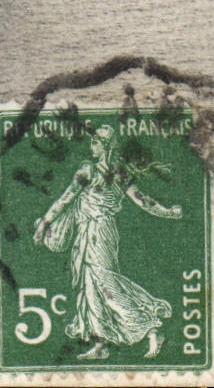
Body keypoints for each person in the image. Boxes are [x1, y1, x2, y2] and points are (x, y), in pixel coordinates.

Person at [33, 124, 182, 360]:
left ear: (105, 147)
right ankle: (101, 344)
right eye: (92, 142)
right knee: (90, 287)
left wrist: (168, 212)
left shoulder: (98, 171)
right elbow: (66, 198)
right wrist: (45, 223)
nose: (91, 146)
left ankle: (151, 328)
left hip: (99, 233)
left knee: (105, 284)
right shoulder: (106, 171)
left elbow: (141, 200)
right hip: (90, 232)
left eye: (95, 143)